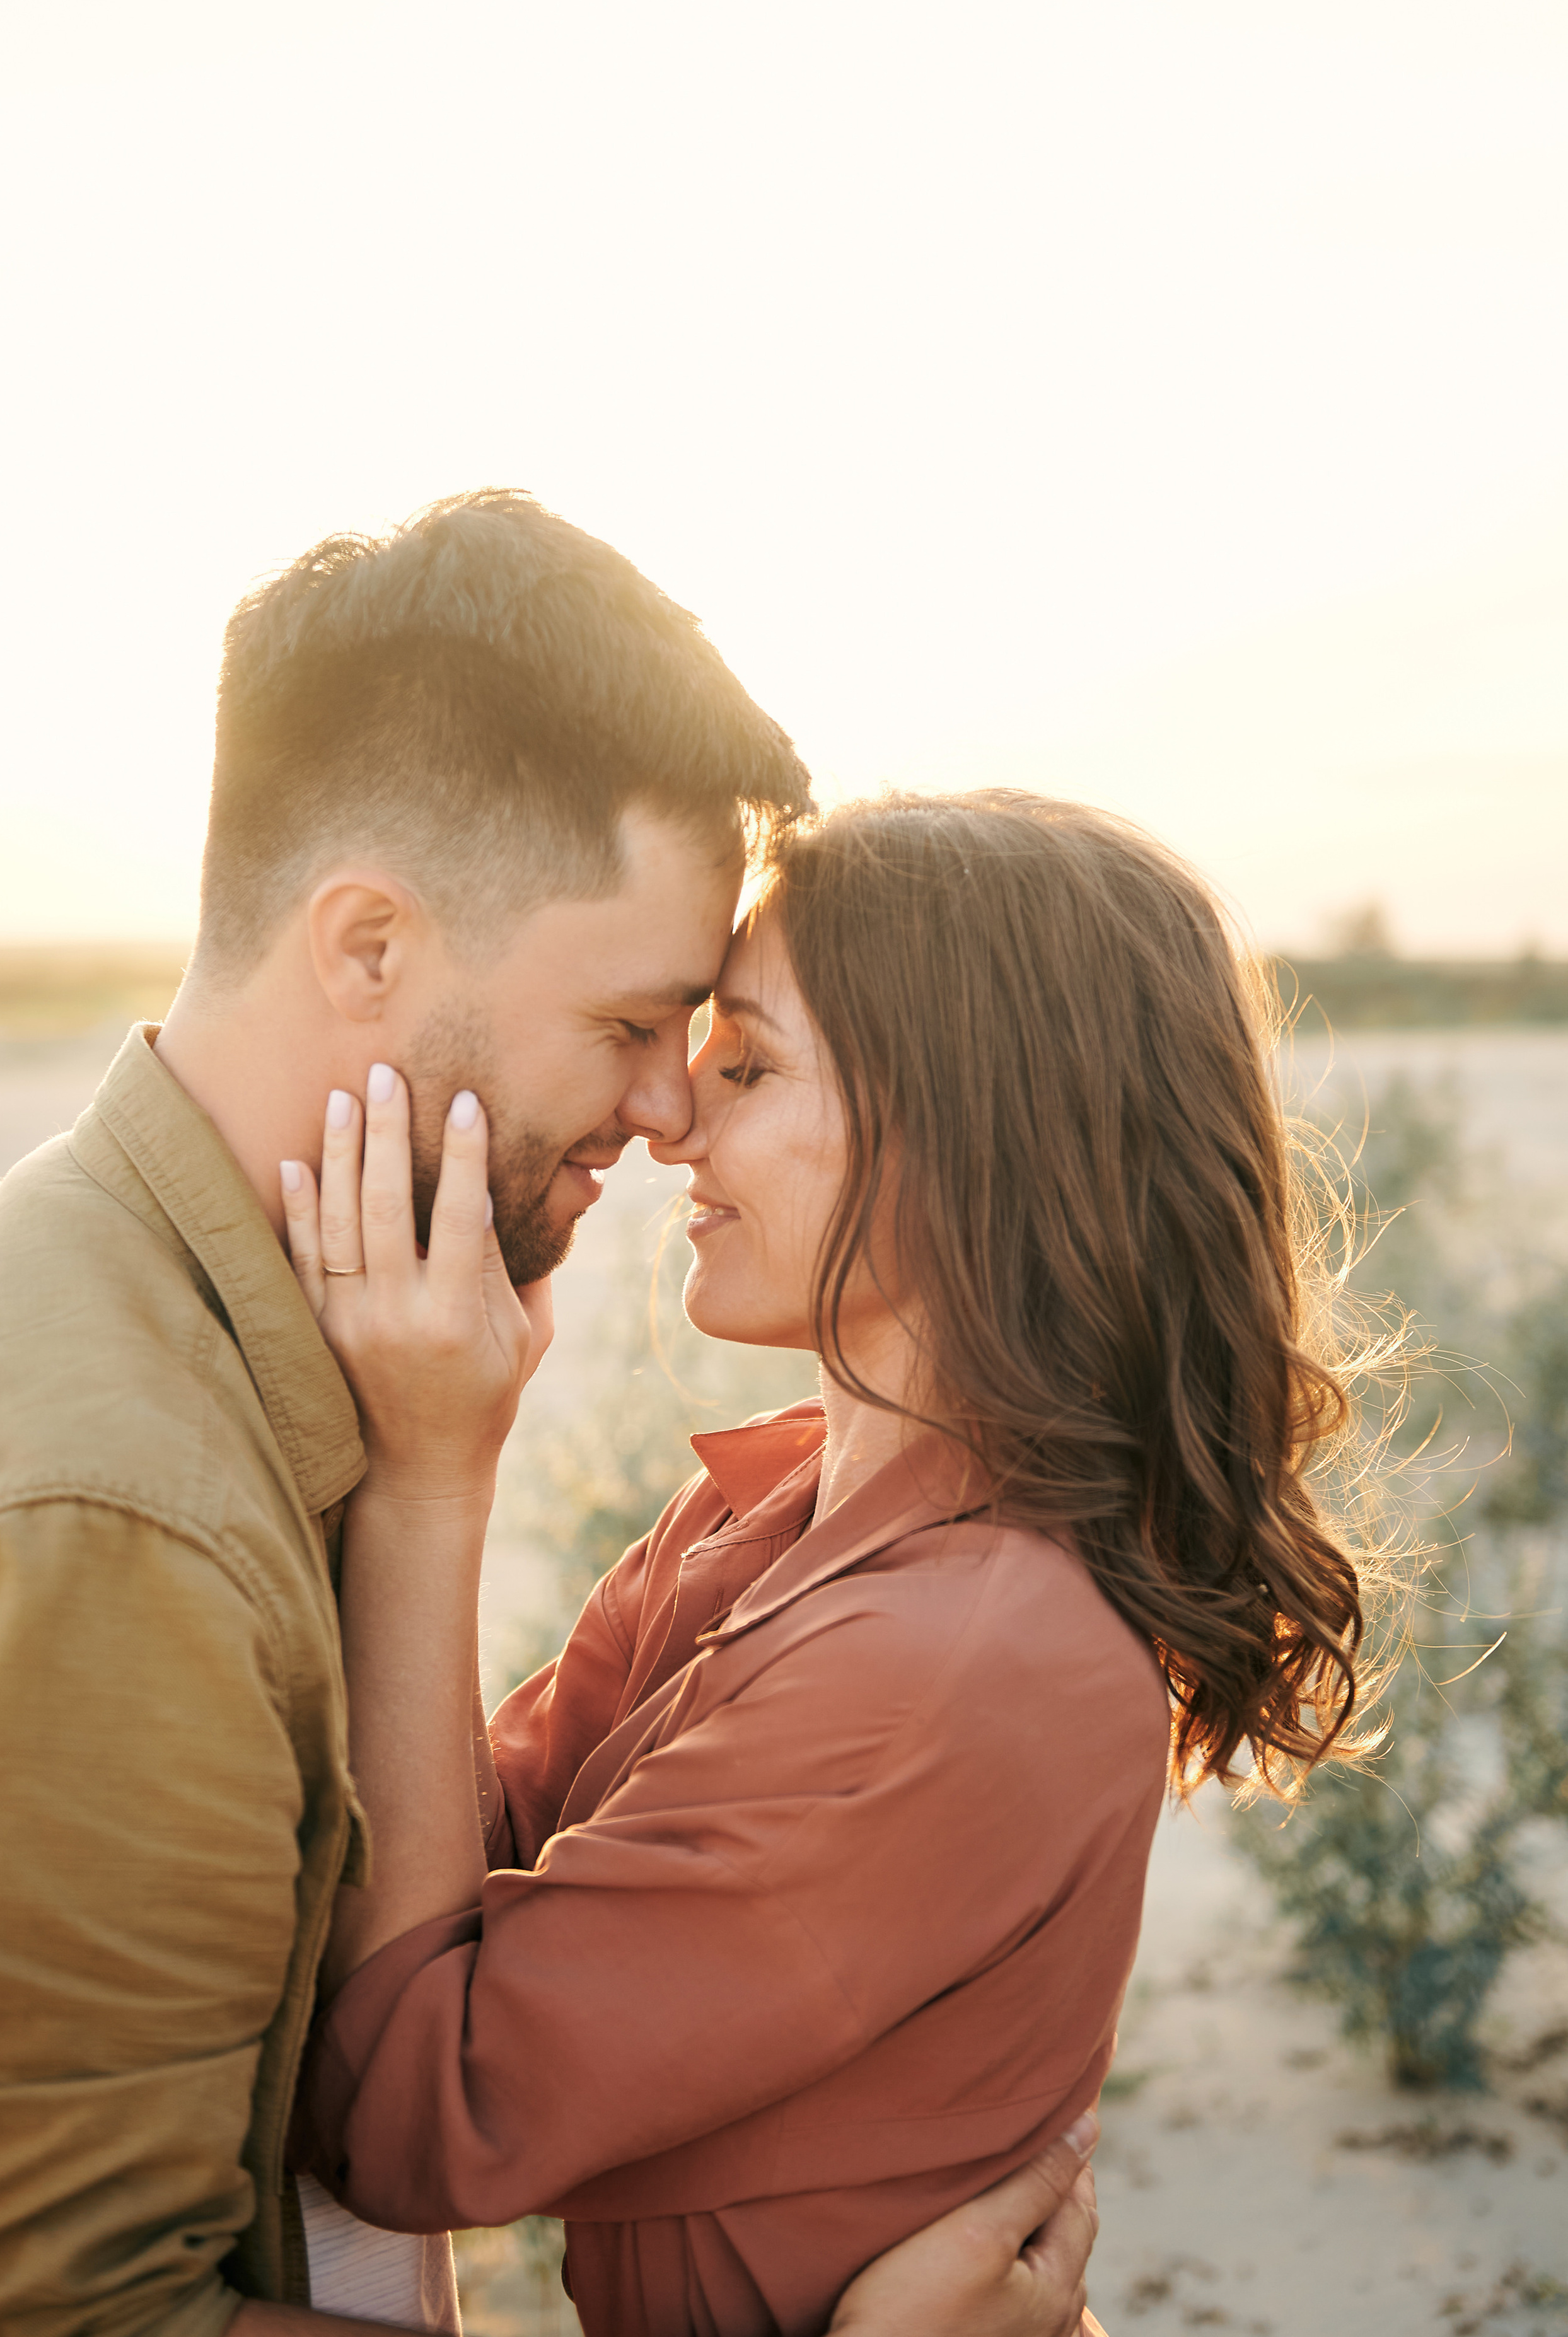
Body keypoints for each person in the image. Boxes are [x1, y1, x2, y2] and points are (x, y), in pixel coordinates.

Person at [0, 496, 1098, 2337]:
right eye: (639, 1021)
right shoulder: (125, 1504)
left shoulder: (256, 1337)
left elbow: (440, 1903)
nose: (666, 1114)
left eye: (719, 1045)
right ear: (372, 951)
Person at [285, 792, 1376, 2337]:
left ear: (968, 1133)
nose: (670, 1115)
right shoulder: (776, 1503)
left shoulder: (955, 1660)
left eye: (746, 1060)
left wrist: (427, 1477)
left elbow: (408, 2102)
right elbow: (454, 1851)